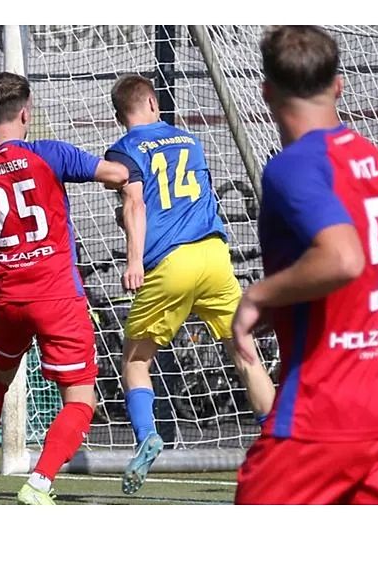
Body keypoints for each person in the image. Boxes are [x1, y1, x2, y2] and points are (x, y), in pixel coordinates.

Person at [231, 25, 378, 505]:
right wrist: (316, 297)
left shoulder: (292, 166)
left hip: (323, 408)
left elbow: (342, 258)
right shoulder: (370, 158)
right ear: (338, 86)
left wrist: (259, 295)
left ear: (266, 92)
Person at [0, 72, 132, 505]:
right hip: (57, 296)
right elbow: (117, 174)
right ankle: (40, 482)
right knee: (81, 399)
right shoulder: (52, 154)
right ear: (26, 113)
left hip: (8, 299)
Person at [104, 74, 276, 495]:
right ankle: (280, 442)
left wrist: (133, 259)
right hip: (214, 255)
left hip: (171, 261)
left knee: (135, 360)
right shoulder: (189, 140)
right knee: (244, 351)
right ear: (152, 102)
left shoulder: (124, 149)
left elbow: (135, 203)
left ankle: (147, 436)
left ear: (120, 114)